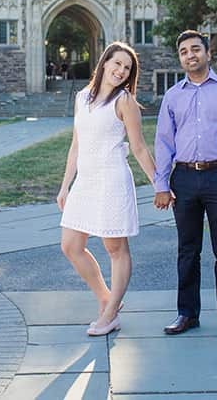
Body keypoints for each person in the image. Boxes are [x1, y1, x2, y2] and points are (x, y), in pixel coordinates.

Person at [154, 30, 217, 339]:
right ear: (181, 58)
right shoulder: (173, 96)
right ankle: (187, 313)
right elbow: (163, 142)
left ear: (208, 54)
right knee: (187, 250)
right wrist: (161, 183)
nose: (190, 55)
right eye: (183, 51)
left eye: (195, 49)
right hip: (184, 179)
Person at [57, 41, 162, 336]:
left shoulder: (124, 102)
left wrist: (159, 184)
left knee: (115, 248)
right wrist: (65, 186)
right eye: (117, 64)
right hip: (85, 182)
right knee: (70, 246)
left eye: (127, 68)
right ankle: (106, 297)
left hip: (112, 180)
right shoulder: (81, 98)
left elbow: (139, 148)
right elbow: (75, 146)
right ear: (104, 63)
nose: (121, 71)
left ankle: (111, 313)